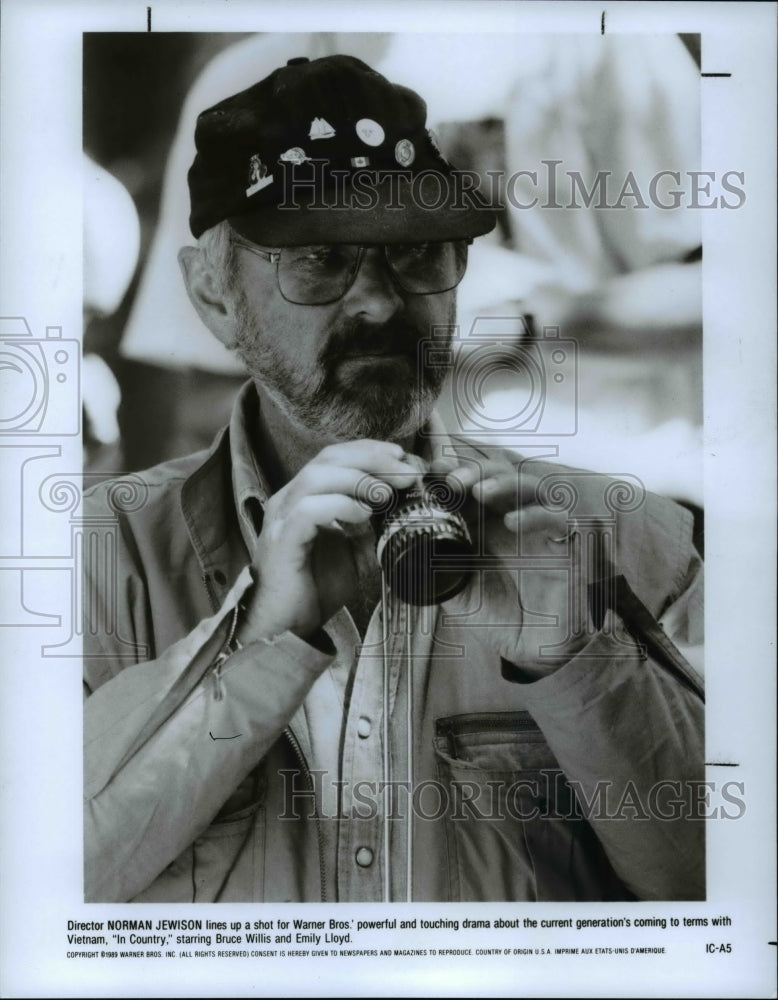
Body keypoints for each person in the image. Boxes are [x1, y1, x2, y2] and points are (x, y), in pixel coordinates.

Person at [83, 55, 704, 904]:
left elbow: (729, 904)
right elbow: (37, 891)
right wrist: (257, 648)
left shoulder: (635, 541)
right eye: (319, 260)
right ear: (212, 295)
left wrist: (577, 663)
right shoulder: (91, 558)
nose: (378, 302)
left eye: (415, 254)